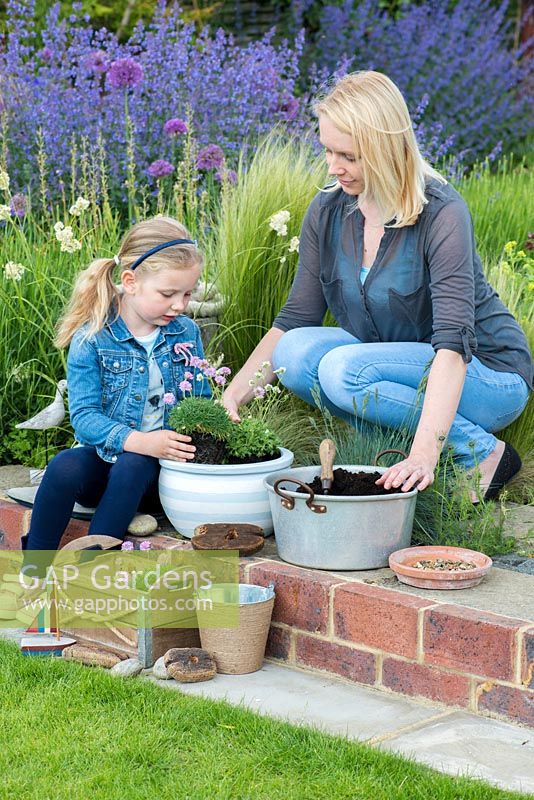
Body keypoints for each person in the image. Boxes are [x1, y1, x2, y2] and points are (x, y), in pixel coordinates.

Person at [222, 71, 532, 500]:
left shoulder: (441, 213)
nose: (334, 167)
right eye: (328, 150)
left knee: (344, 371)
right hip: (388, 368)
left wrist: (426, 452)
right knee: (292, 352)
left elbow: (453, 345)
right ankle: (391, 451)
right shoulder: (328, 210)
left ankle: (480, 452)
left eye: (349, 155)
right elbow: (294, 320)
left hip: (484, 375)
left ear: (386, 148)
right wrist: (233, 398)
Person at [22, 216, 205, 553]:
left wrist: (211, 421)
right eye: (168, 293)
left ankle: (90, 568)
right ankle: (34, 568)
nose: (180, 305)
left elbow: (199, 397)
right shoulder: (93, 337)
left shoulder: (185, 332)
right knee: (64, 466)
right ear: (130, 281)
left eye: (188, 293)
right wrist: (140, 440)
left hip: (154, 474)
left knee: (133, 464)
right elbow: (86, 418)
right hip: (103, 462)